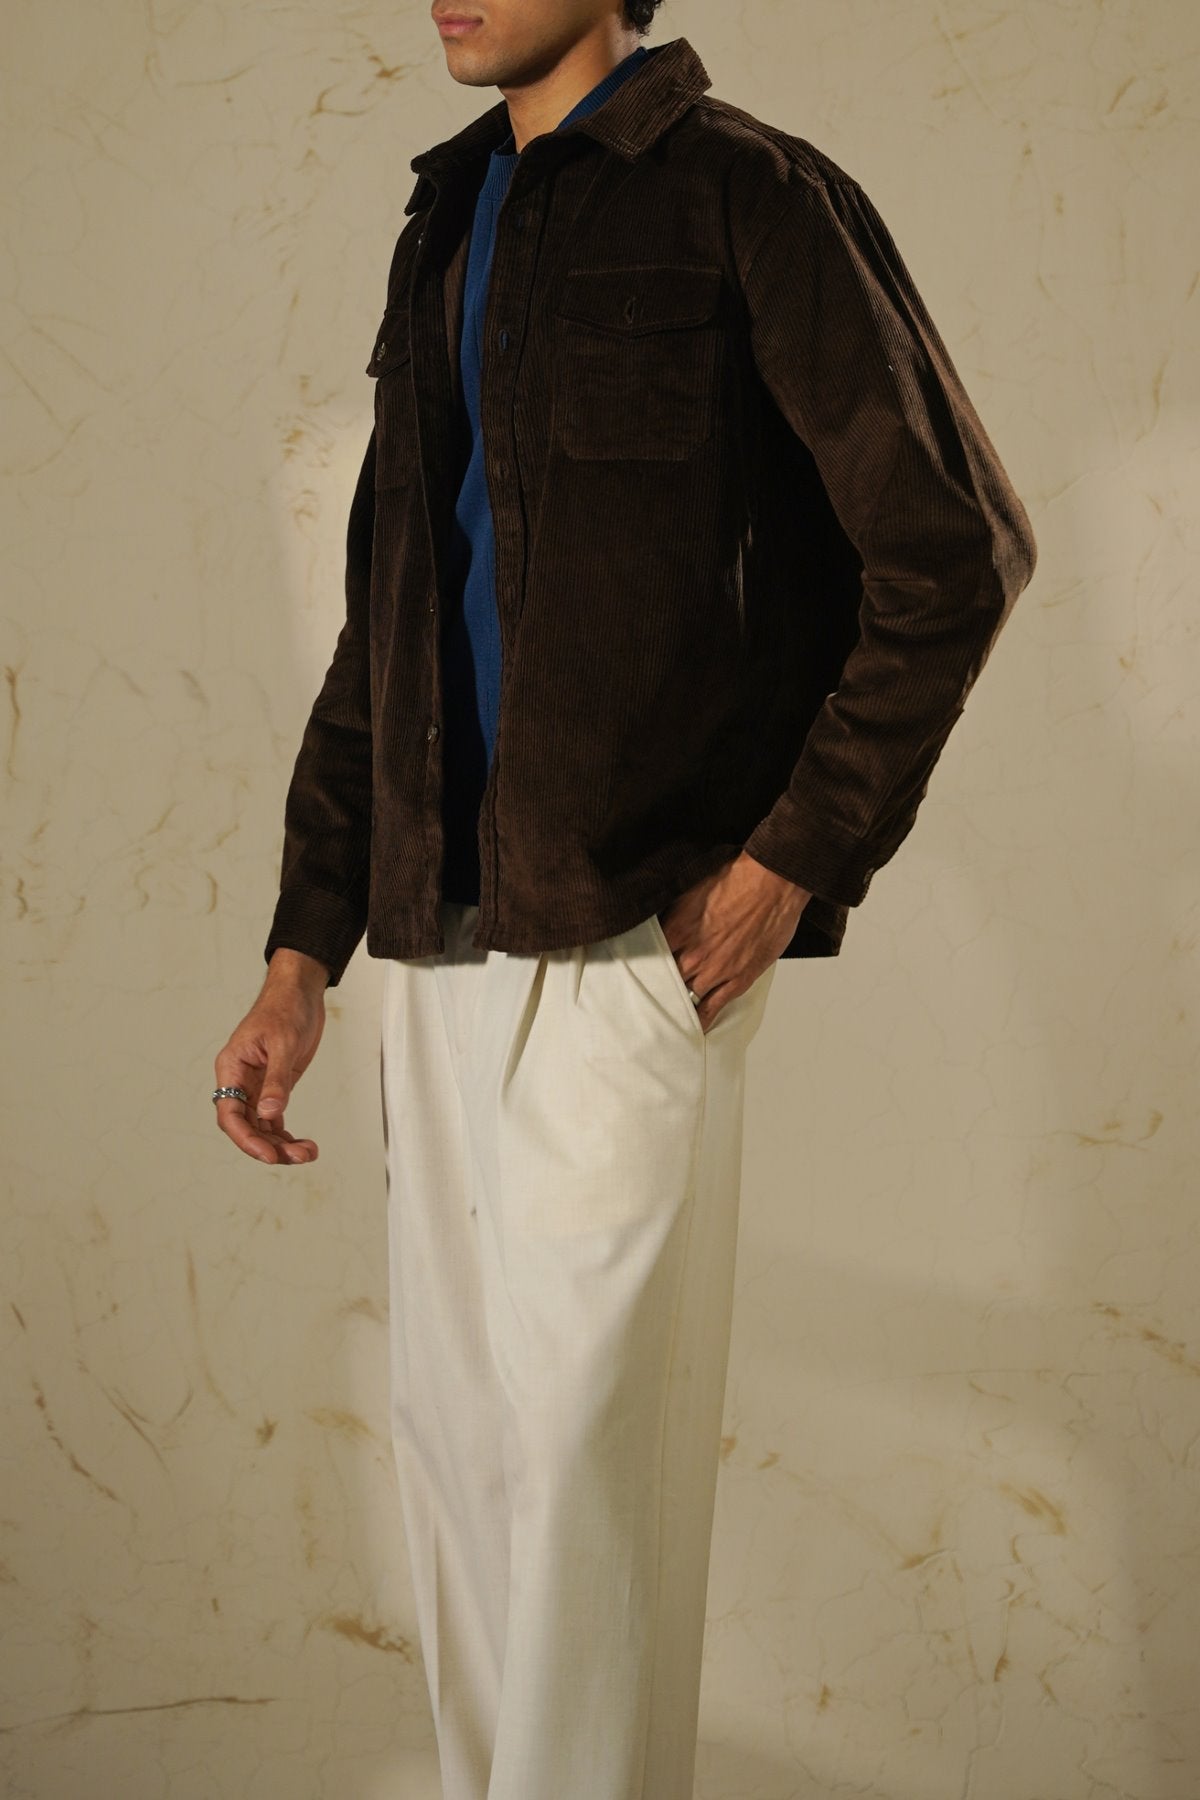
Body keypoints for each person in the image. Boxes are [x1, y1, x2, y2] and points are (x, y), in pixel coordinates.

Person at [213, 5, 1037, 1796]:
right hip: (429, 956)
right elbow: (386, 621)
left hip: (632, 953)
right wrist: (301, 952)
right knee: (465, 1483)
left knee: (590, 1492)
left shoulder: (753, 197)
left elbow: (953, 552)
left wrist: (784, 868)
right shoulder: (444, 221)